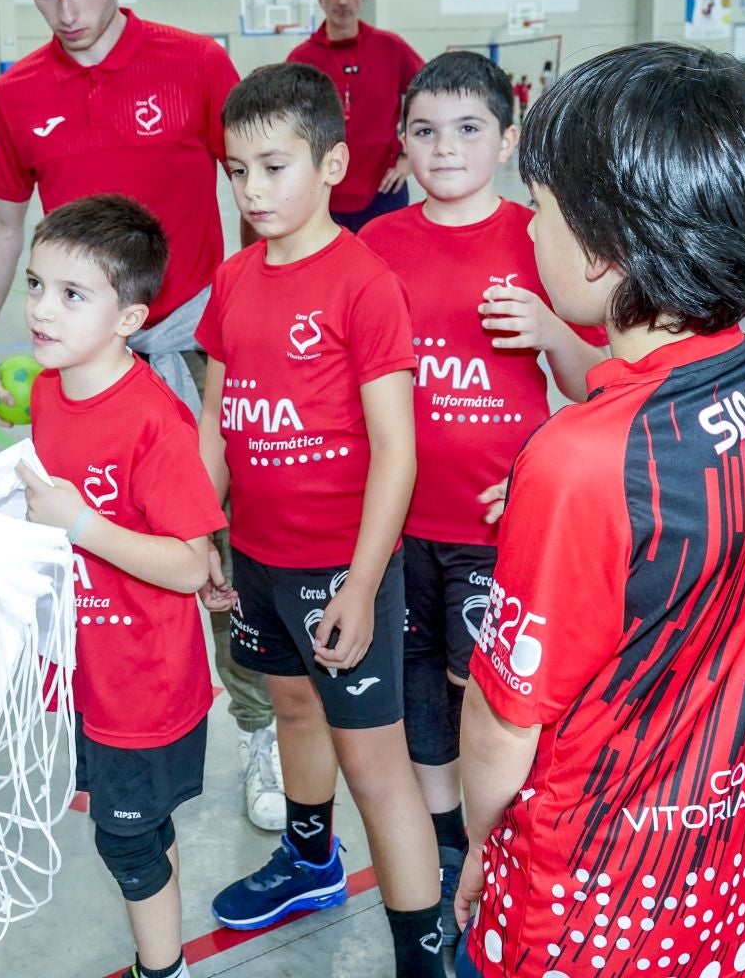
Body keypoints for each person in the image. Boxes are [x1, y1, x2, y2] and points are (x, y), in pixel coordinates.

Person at [453, 43, 745, 978]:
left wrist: (480, 839)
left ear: (602, 245)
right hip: (721, 867)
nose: (528, 236)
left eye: (537, 212)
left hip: (586, 890)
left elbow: (505, 726)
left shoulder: (583, 457)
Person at [0, 0, 283, 832]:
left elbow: (258, 178)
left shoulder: (193, 63)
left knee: (214, 540)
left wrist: (250, 311)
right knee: (80, 535)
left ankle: (257, 720)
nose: (69, 12)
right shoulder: (18, 92)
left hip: (186, 329)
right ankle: (97, 719)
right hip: (77, 346)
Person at [196, 63, 444, 978]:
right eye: (236, 170)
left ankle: (423, 953)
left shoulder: (364, 284)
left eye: (273, 166)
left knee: (376, 767)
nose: (253, 190)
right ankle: (309, 861)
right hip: (256, 557)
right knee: (291, 705)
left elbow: (398, 451)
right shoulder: (231, 280)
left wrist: (364, 585)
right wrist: (200, 533)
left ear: (333, 163)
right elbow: (216, 426)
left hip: (339, 567)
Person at [359, 52, 605, 948]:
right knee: (418, 691)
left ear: (507, 140)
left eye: (468, 128)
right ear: (401, 144)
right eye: (424, 130)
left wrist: (547, 331)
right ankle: (447, 853)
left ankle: (497, 847)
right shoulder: (377, 247)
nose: (445, 147)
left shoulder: (538, 241)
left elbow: (594, 391)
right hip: (396, 530)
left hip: (495, 531)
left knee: (488, 696)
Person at [14, 195, 229, 978]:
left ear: (130, 317)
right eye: (35, 286)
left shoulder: (153, 422)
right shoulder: (47, 393)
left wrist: (81, 526)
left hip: (144, 683)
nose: (42, 309)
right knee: (135, 830)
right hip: (84, 669)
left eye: (73, 296)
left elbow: (189, 562)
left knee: (126, 840)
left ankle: (161, 969)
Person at [284, 0, 423, 233]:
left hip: (383, 190)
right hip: (323, 195)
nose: (343, 0)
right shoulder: (301, 59)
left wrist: (411, 159)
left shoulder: (390, 47)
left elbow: (433, 98)